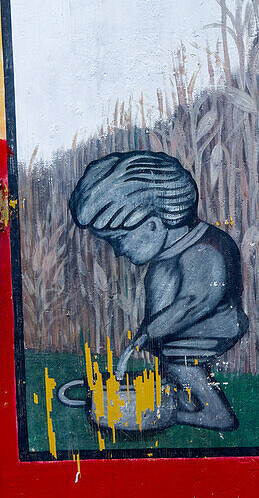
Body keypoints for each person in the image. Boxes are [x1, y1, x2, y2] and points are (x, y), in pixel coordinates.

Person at [69, 150, 248, 431]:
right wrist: (149, 333)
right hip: (175, 329)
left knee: (179, 357)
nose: (117, 252)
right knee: (168, 357)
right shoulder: (162, 261)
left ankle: (216, 413)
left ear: (152, 226)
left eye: (119, 241)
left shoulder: (203, 250)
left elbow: (196, 301)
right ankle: (185, 402)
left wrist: (155, 330)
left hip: (213, 324)